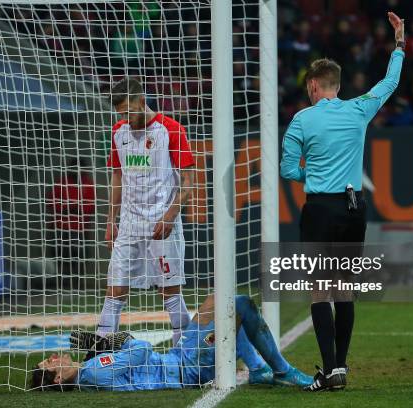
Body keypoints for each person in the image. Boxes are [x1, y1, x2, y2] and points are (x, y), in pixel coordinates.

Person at [280, 12, 405, 391]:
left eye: (308, 86)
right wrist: (398, 43)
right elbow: (390, 82)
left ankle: (329, 370)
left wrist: (311, 176)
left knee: (319, 288)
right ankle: (342, 367)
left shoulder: (301, 119)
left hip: (319, 208)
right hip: (353, 208)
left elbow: (287, 169)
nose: (307, 91)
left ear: (316, 85)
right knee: (345, 287)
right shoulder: (359, 109)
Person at [30, 295, 313, 391]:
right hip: (187, 368)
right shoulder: (92, 372)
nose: (55, 356)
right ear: (57, 379)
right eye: (51, 362)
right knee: (238, 305)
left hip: (179, 357)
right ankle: (280, 370)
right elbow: (142, 350)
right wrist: (120, 340)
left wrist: (106, 347)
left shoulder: (90, 371)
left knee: (219, 300)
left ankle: (257, 369)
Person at [99, 77, 195, 347]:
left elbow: (189, 181)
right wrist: (111, 220)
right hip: (129, 223)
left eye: (129, 112)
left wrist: (171, 215)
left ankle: (186, 351)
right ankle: (101, 349)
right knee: (115, 289)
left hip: (161, 222)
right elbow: (117, 176)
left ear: (142, 101)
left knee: (169, 291)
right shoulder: (119, 132)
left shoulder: (171, 130)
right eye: (121, 114)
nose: (126, 119)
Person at [46, 158, 96, 281]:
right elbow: (51, 201)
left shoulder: (87, 184)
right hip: (60, 227)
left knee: (79, 254)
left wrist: (76, 209)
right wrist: (67, 208)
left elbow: (91, 205)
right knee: (60, 254)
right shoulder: (62, 182)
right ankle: (61, 280)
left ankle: (77, 281)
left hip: (79, 228)